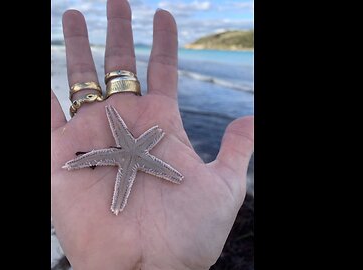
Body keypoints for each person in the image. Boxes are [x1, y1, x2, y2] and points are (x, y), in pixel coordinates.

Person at [51, 0, 254, 269]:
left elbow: (131, 147)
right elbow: (117, 144)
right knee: (115, 163)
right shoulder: (131, 145)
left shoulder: (139, 147)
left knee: (125, 168)